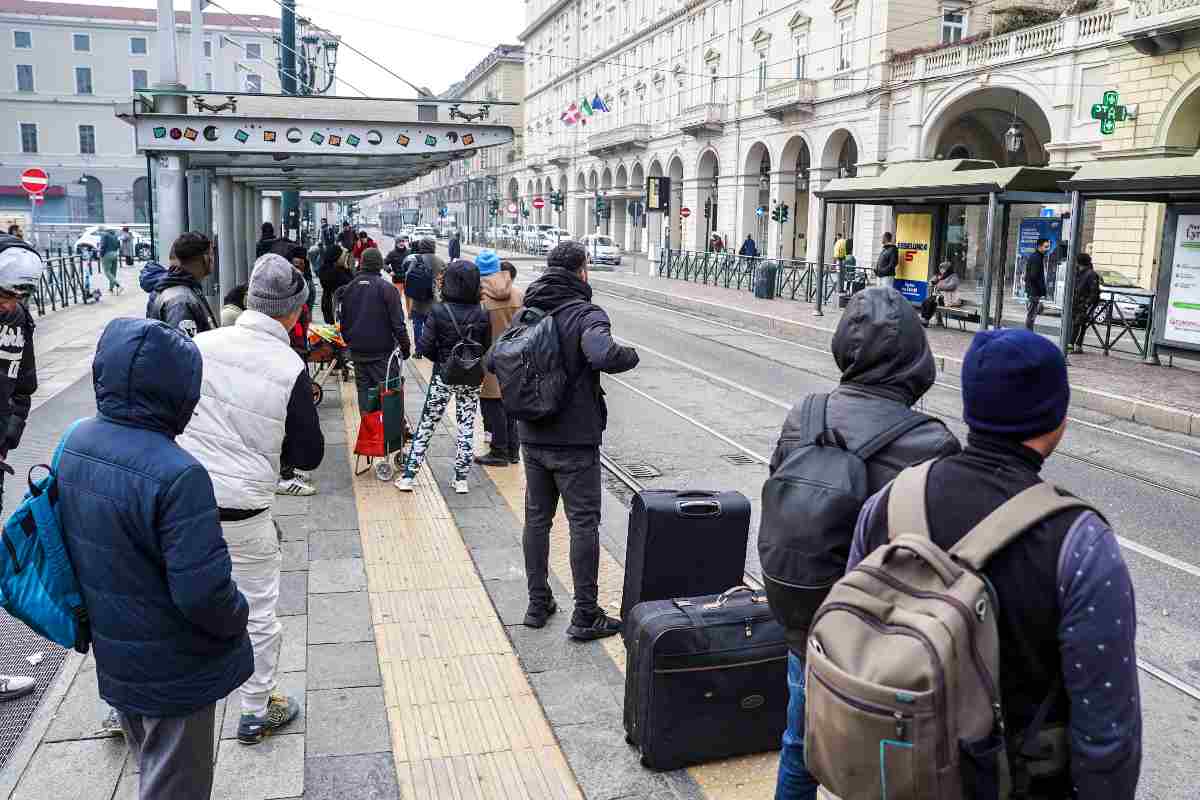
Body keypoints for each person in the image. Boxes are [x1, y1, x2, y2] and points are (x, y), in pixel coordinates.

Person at [848, 329, 1142, 799]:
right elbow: (1107, 733)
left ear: (970, 408)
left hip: (899, 774)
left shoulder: (888, 501)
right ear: (1057, 421)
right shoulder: (1081, 542)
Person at [768, 287, 960, 800]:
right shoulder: (932, 442)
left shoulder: (803, 416)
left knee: (799, 746)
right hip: (887, 647)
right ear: (916, 358)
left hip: (808, 625)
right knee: (894, 775)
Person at [57, 317, 252, 798]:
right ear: (178, 391)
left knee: (153, 766)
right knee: (176, 785)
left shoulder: (76, 441)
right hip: (175, 665)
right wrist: (239, 613)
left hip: (117, 650)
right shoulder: (178, 474)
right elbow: (203, 592)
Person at [176, 254, 322, 744]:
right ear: (296, 311)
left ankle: (138, 705)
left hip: (181, 503)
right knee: (257, 609)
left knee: (168, 597)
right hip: (244, 510)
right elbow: (309, 453)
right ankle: (256, 710)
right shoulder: (289, 365)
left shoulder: (200, 344)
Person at [500, 241, 639, 640]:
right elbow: (602, 354)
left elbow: (496, 359)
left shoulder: (529, 311)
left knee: (537, 519)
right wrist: (629, 356)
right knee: (583, 523)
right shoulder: (586, 312)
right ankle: (585, 614)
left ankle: (537, 602)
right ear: (582, 271)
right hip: (575, 440)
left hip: (533, 436)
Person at [395, 259, 491, 495]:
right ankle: (461, 479)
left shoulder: (439, 310)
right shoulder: (482, 313)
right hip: (472, 376)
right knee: (467, 425)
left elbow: (424, 347)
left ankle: (409, 476)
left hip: (443, 376)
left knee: (428, 424)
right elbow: (486, 346)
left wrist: (443, 359)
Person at [0, 235, 46, 705]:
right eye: (5, 294)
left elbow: (23, 384)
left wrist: (6, 437)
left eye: (18, 298)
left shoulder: (18, 319)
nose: (10, 305)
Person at [340, 247, 412, 413]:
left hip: (358, 354)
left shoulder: (349, 288)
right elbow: (398, 325)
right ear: (379, 265)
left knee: (364, 395)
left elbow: (343, 321)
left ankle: (369, 432)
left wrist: (350, 343)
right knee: (389, 397)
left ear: (362, 264)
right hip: (383, 356)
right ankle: (388, 434)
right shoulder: (387, 289)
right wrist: (405, 348)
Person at [475, 253, 523, 466]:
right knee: (511, 406)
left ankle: (499, 451)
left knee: (492, 407)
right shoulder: (518, 294)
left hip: (490, 361)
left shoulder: (480, 299)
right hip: (516, 360)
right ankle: (513, 451)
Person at [147, 232, 218, 337]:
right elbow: (184, 349)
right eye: (211, 254)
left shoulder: (184, 290)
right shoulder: (180, 301)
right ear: (206, 258)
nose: (213, 259)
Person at [404, 237, 446, 348]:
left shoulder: (416, 259)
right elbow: (445, 279)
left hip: (418, 299)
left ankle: (419, 350)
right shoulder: (440, 261)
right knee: (433, 326)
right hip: (434, 299)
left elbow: (408, 275)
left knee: (417, 325)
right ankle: (431, 347)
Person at [1070, 252, 1102, 354]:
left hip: (1083, 304)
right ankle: (1077, 346)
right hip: (1077, 303)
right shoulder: (1078, 272)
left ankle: (1071, 345)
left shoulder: (1091, 274)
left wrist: (1086, 305)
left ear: (1079, 262)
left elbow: (1094, 292)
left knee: (1078, 324)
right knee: (1079, 325)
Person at [919, 260, 961, 327]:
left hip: (949, 299)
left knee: (931, 302)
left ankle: (926, 320)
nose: (941, 270)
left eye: (942, 268)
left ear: (947, 269)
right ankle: (924, 318)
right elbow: (932, 281)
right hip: (940, 297)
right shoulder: (941, 276)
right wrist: (933, 281)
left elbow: (951, 286)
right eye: (940, 268)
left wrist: (939, 285)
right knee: (926, 301)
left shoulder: (954, 277)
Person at [317, 243, 350, 324]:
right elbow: (351, 283)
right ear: (336, 257)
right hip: (334, 307)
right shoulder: (334, 272)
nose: (345, 258)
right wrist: (346, 268)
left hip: (328, 304)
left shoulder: (326, 268)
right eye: (343, 256)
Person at [1025, 237, 1051, 330]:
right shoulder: (1037, 258)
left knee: (1032, 314)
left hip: (1034, 290)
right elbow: (1034, 276)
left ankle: (1029, 332)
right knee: (1032, 314)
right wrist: (1041, 290)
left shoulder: (1037, 256)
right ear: (1039, 247)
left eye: (1048, 247)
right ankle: (1028, 333)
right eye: (1046, 247)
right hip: (1034, 291)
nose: (1047, 249)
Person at [99, 227, 122, 294]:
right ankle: (111, 289)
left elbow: (103, 246)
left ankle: (118, 285)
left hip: (107, 254)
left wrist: (101, 254)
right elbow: (118, 245)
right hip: (115, 254)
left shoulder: (104, 235)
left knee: (107, 272)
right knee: (113, 272)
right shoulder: (115, 236)